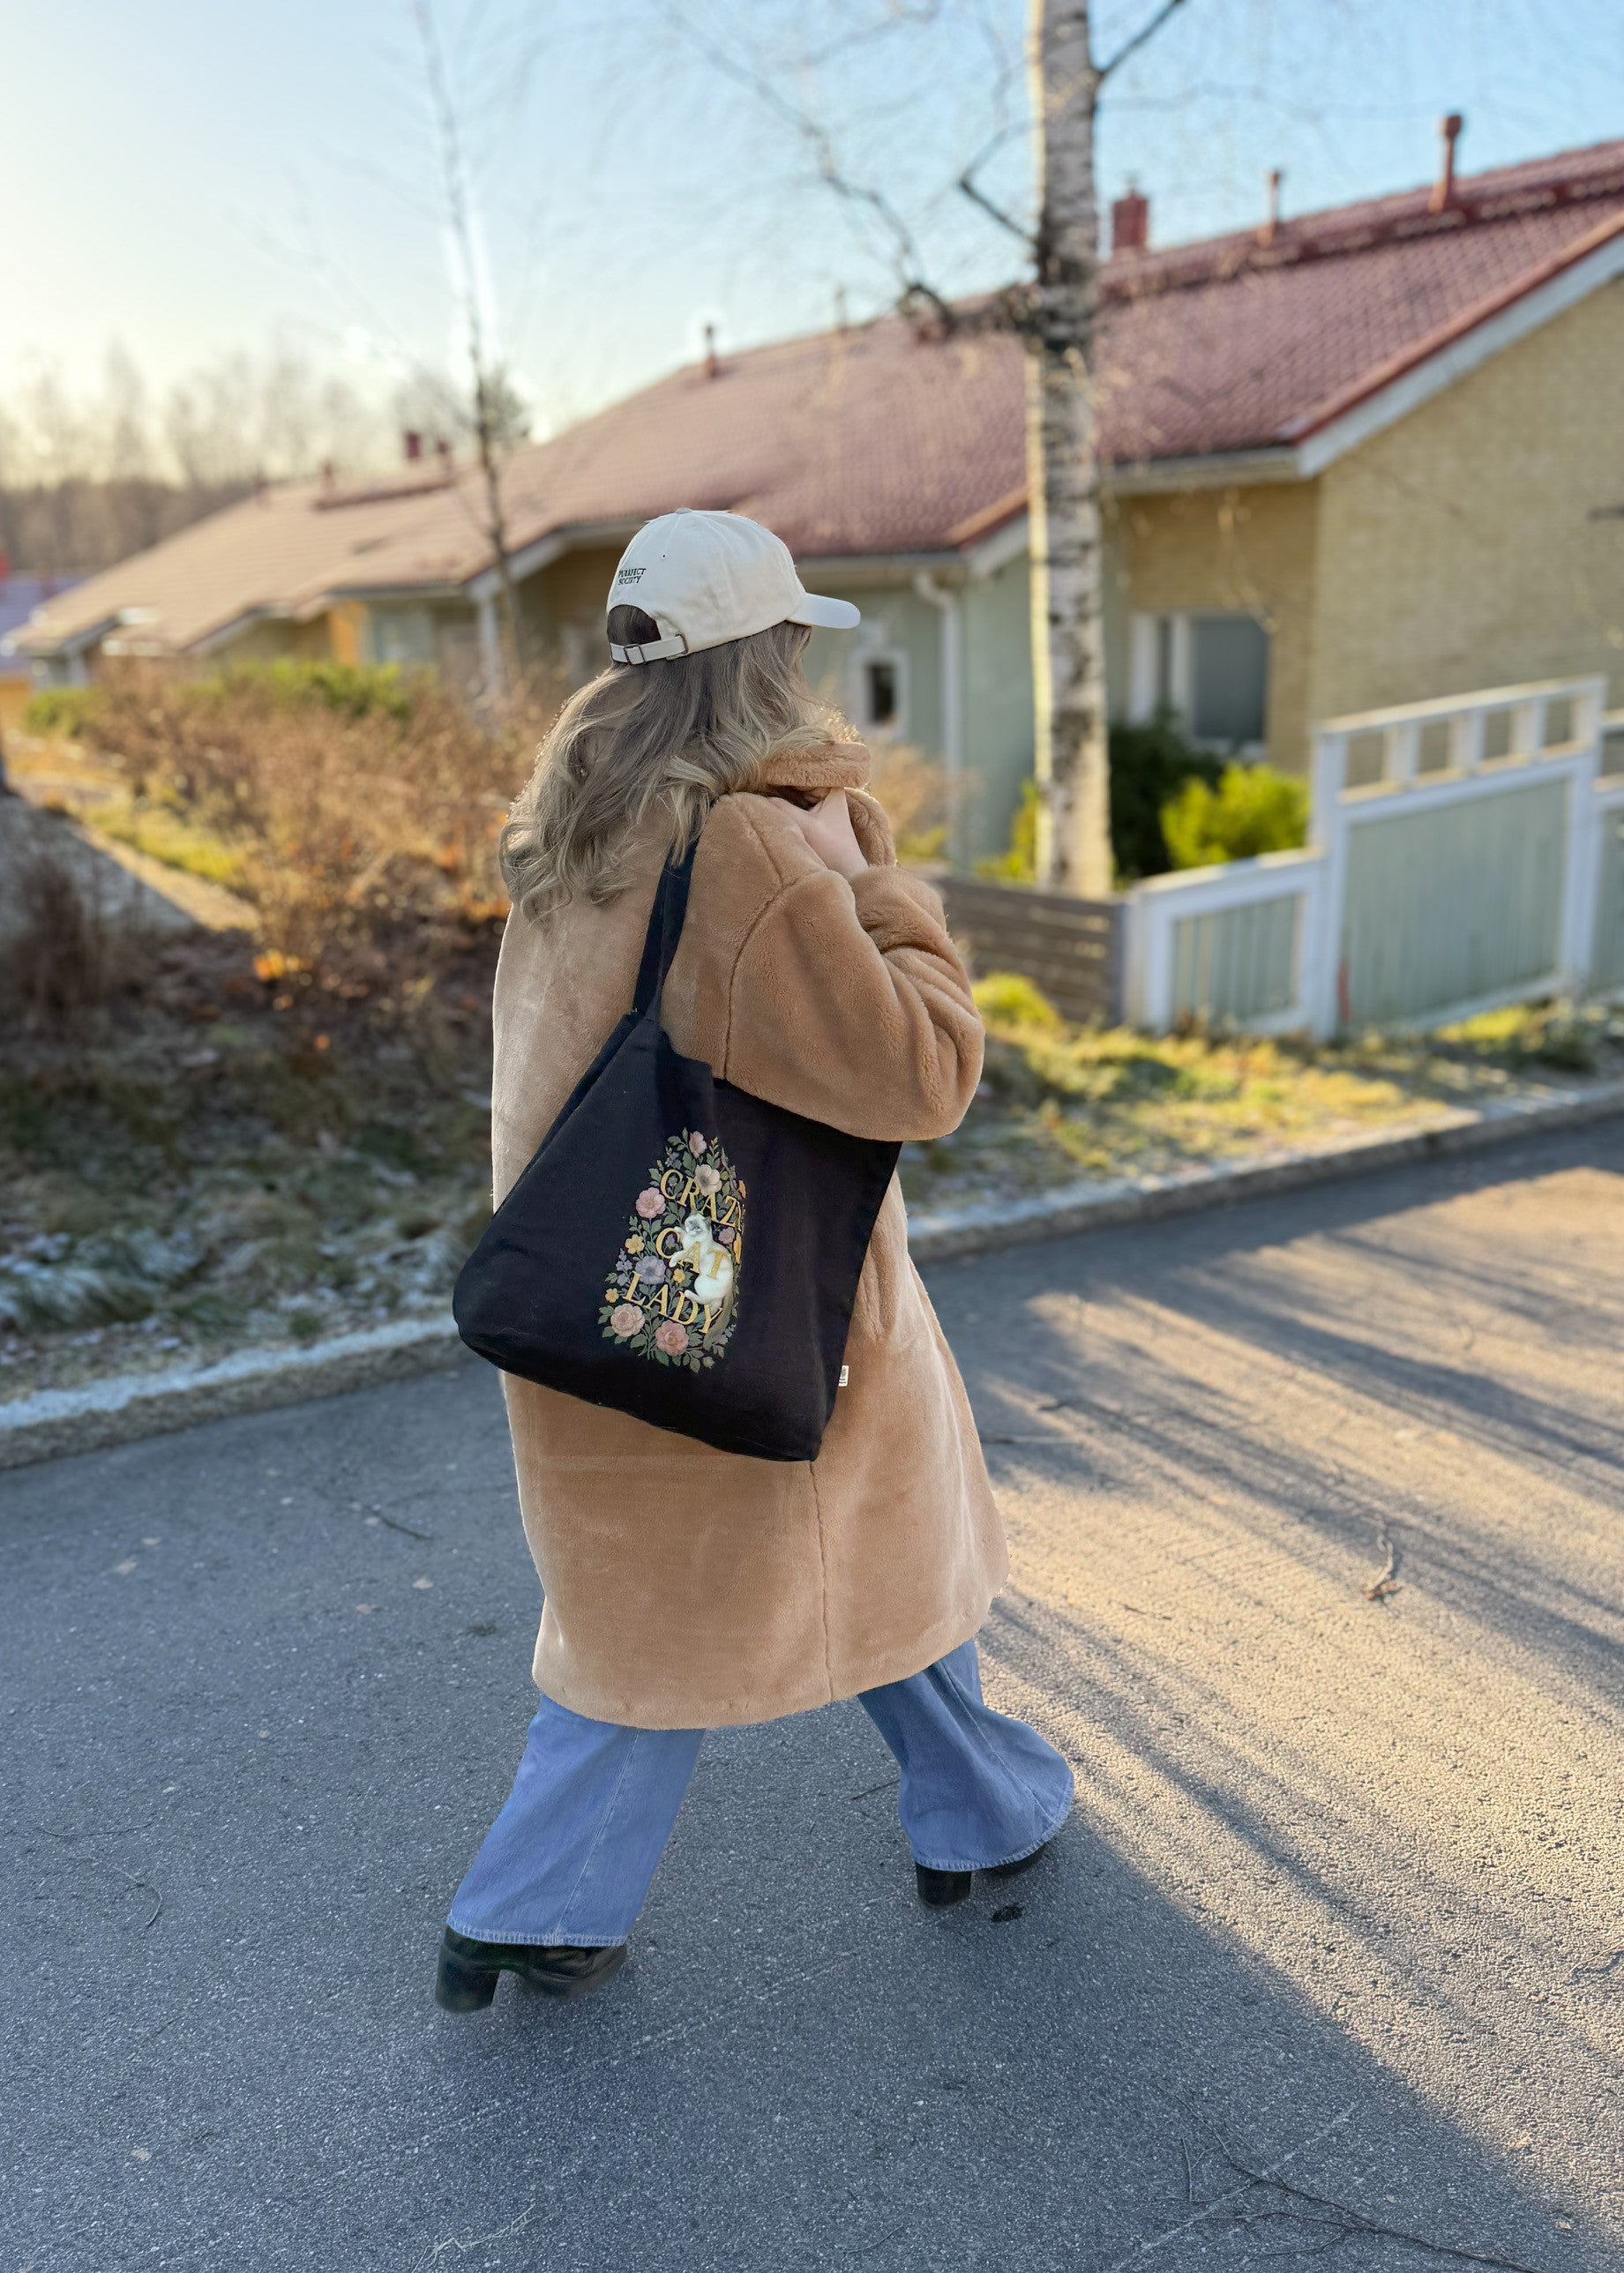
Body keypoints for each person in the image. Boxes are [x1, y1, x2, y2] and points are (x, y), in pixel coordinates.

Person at [436, 509, 1072, 2012]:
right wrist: (875, 884)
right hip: (759, 1303)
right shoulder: (756, 845)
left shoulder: (580, 815)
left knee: (662, 1606)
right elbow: (921, 1069)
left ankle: (975, 1806)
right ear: (767, 656)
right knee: (796, 1577)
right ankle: (538, 1901)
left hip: (599, 1278)